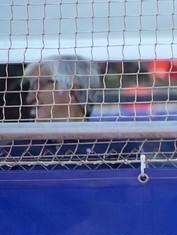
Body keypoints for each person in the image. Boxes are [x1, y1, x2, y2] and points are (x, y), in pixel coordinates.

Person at [1, 54, 140, 164]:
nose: (29, 98)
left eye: (38, 85)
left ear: (72, 89)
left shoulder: (117, 147)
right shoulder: (17, 151)